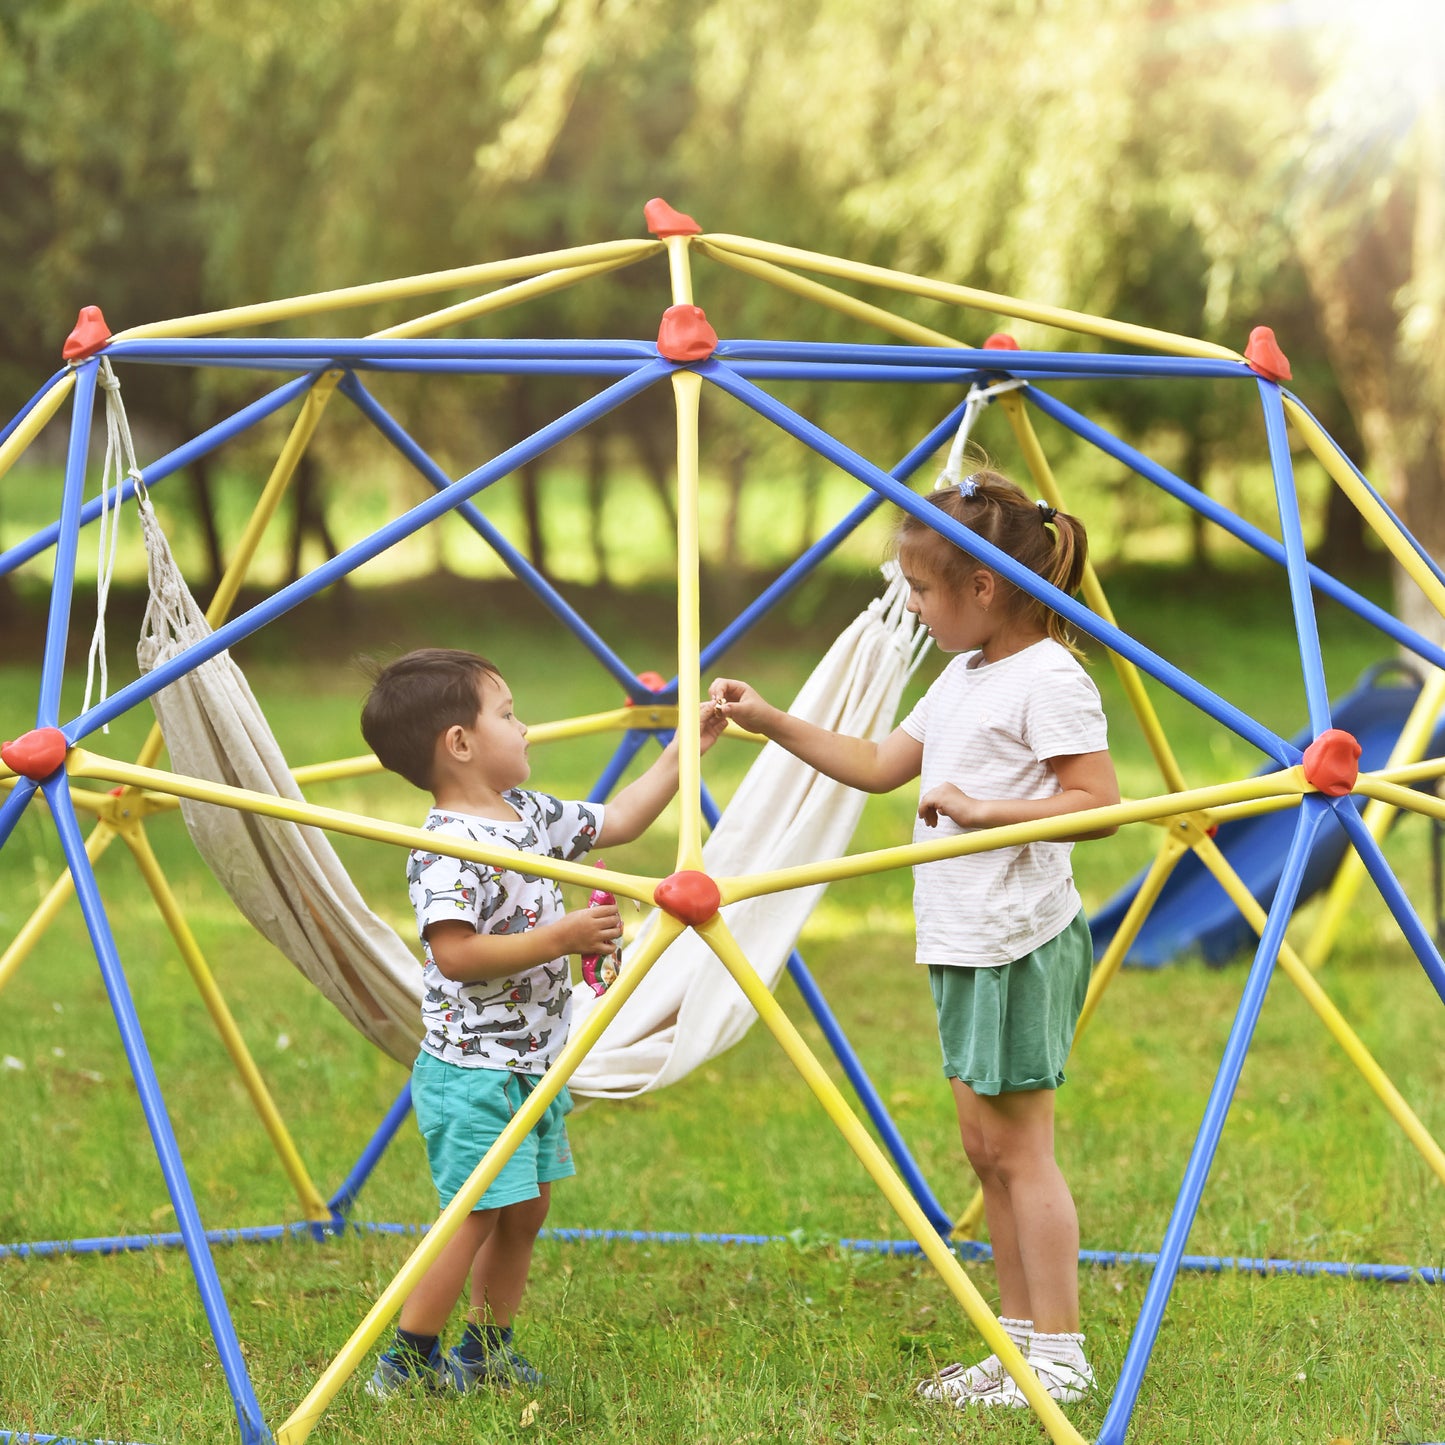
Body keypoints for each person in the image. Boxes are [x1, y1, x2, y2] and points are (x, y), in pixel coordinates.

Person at [709, 467, 1119, 1410]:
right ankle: (1016, 1344)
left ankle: (1060, 1353)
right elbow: (878, 764)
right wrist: (767, 718)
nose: (914, 607)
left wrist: (983, 811)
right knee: (984, 1150)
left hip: (1015, 939)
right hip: (961, 938)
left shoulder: (1050, 675)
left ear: (982, 587)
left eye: (923, 590)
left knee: (1021, 1151)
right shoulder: (964, 672)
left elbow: (1099, 805)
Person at [359, 647, 725, 1396]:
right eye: (508, 712)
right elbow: (456, 954)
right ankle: (405, 1360)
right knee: (472, 1215)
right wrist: (560, 938)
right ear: (459, 743)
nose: (526, 727)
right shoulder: (444, 850)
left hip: (536, 1062)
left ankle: (485, 1349)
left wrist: (688, 749)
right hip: (473, 1072)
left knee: (524, 1211)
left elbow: (619, 819)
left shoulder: (527, 815)